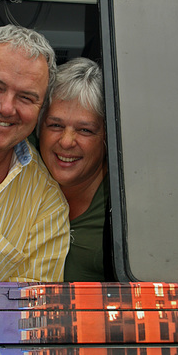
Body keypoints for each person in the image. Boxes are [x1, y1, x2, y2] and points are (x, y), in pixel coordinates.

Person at [0, 25, 69, 283]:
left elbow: (23, 314)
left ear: (41, 110)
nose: (6, 107)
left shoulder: (47, 206)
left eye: (26, 97)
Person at [39, 57, 114, 282]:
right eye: (55, 125)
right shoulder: (17, 175)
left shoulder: (127, 203)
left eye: (85, 130)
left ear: (107, 138)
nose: (66, 141)